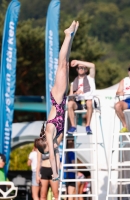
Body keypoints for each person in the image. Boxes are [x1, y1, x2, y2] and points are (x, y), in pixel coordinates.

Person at [35, 21, 79, 181]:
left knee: (62, 66)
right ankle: (71, 36)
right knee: (65, 65)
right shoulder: (55, 136)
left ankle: (68, 35)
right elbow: (57, 148)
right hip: (62, 98)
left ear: (45, 144)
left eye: (48, 150)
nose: (51, 150)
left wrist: (55, 173)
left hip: (57, 97)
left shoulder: (49, 132)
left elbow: (53, 157)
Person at [67, 59, 95, 135]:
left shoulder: (90, 78)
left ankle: (88, 126)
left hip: (88, 101)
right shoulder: (73, 82)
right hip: (78, 102)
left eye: (83, 68)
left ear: (86, 70)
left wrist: (78, 62)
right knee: (69, 104)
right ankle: (73, 126)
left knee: (89, 102)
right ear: (77, 69)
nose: (81, 69)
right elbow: (70, 96)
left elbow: (92, 66)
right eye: (79, 67)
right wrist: (76, 93)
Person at [36, 132, 63, 200]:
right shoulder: (40, 147)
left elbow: (61, 135)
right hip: (44, 170)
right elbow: (38, 161)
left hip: (52, 170)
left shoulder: (53, 144)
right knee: (43, 195)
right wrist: (37, 175)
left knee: (56, 194)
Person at [115, 63, 130, 133]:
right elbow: (118, 92)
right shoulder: (124, 80)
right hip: (126, 101)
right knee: (117, 106)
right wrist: (120, 93)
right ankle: (125, 126)